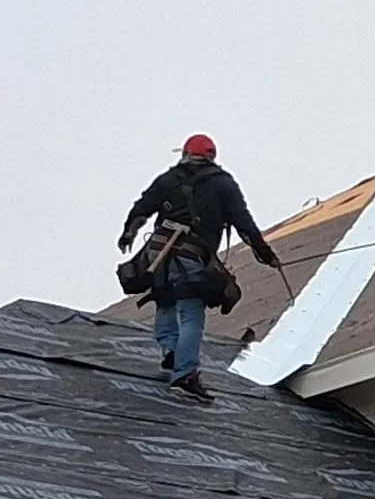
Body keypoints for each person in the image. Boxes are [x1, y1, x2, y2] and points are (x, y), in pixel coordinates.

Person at [119, 134, 281, 400]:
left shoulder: (168, 179)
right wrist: (266, 255)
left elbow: (141, 208)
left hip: (159, 254)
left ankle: (172, 352)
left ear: (185, 153)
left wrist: (128, 233)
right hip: (191, 255)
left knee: (166, 301)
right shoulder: (223, 184)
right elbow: (244, 222)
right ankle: (184, 375)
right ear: (211, 157)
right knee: (191, 314)